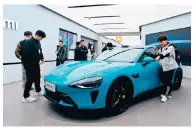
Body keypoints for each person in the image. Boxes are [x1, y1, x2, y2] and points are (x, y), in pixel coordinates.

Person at [21, 30, 46, 103]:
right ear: (38, 35)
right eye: (41, 38)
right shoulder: (29, 42)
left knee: (38, 76)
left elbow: (39, 51)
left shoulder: (38, 42)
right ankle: (25, 97)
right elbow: (28, 55)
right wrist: (38, 60)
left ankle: (38, 91)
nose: (41, 39)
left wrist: (42, 58)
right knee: (30, 79)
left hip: (36, 64)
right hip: (29, 64)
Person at [154, 35, 179, 103]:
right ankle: (168, 93)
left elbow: (165, 54)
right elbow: (159, 54)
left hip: (170, 67)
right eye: (159, 42)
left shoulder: (171, 47)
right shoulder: (162, 48)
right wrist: (156, 52)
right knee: (164, 79)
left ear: (165, 40)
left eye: (161, 41)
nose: (160, 43)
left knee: (167, 81)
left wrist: (159, 56)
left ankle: (164, 95)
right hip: (164, 66)